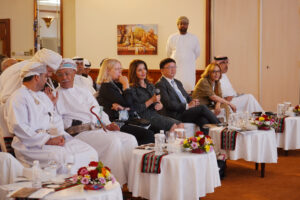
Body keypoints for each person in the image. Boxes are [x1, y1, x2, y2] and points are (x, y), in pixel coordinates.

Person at [3, 62, 98, 174]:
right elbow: (19, 128)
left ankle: (86, 185)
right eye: (45, 77)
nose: (47, 80)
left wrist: (59, 135)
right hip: (31, 145)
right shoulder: (18, 97)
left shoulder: (43, 96)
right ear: (37, 77)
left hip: (52, 137)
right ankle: (65, 189)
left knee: (89, 152)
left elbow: (55, 119)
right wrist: (48, 140)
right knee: (63, 158)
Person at [55, 59, 138, 185]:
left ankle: (131, 183)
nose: (64, 78)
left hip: (97, 128)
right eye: (60, 75)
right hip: (78, 133)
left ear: (74, 73)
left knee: (130, 139)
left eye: (67, 74)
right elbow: (57, 120)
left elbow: (98, 110)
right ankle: (113, 183)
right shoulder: (56, 95)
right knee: (113, 141)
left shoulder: (83, 91)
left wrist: (107, 123)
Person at [97, 58, 155, 145]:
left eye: (120, 68)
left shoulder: (117, 84)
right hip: (116, 123)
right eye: (116, 69)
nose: (120, 71)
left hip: (127, 119)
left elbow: (133, 103)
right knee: (148, 135)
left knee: (154, 129)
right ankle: (139, 156)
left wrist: (124, 107)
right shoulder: (106, 87)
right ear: (108, 71)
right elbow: (128, 103)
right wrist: (126, 85)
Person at [156, 58, 220, 134]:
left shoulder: (177, 82)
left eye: (174, 67)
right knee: (202, 108)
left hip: (186, 111)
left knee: (202, 119)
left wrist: (193, 101)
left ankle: (206, 141)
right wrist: (187, 106)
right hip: (175, 114)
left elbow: (187, 96)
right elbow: (168, 104)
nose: (173, 70)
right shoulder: (160, 84)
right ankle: (220, 126)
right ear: (162, 70)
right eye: (170, 67)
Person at [128, 59, 183, 133]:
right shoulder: (132, 88)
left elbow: (158, 102)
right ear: (134, 72)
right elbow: (136, 109)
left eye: (144, 69)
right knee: (174, 126)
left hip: (155, 115)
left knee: (180, 124)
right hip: (143, 117)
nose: (143, 72)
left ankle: (181, 144)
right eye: (140, 70)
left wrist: (160, 105)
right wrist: (151, 101)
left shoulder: (150, 85)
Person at [166, 16, 200, 92]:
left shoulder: (194, 38)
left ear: (188, 25)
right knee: (175, 88)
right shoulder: (172, 37)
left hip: (189, 68)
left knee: (188, 88)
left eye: (184, 24)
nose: (182, 25)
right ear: (177, 25)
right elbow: (168, 53)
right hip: (176, 68)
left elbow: (197, 53)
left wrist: (187, 59)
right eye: (180, 23)